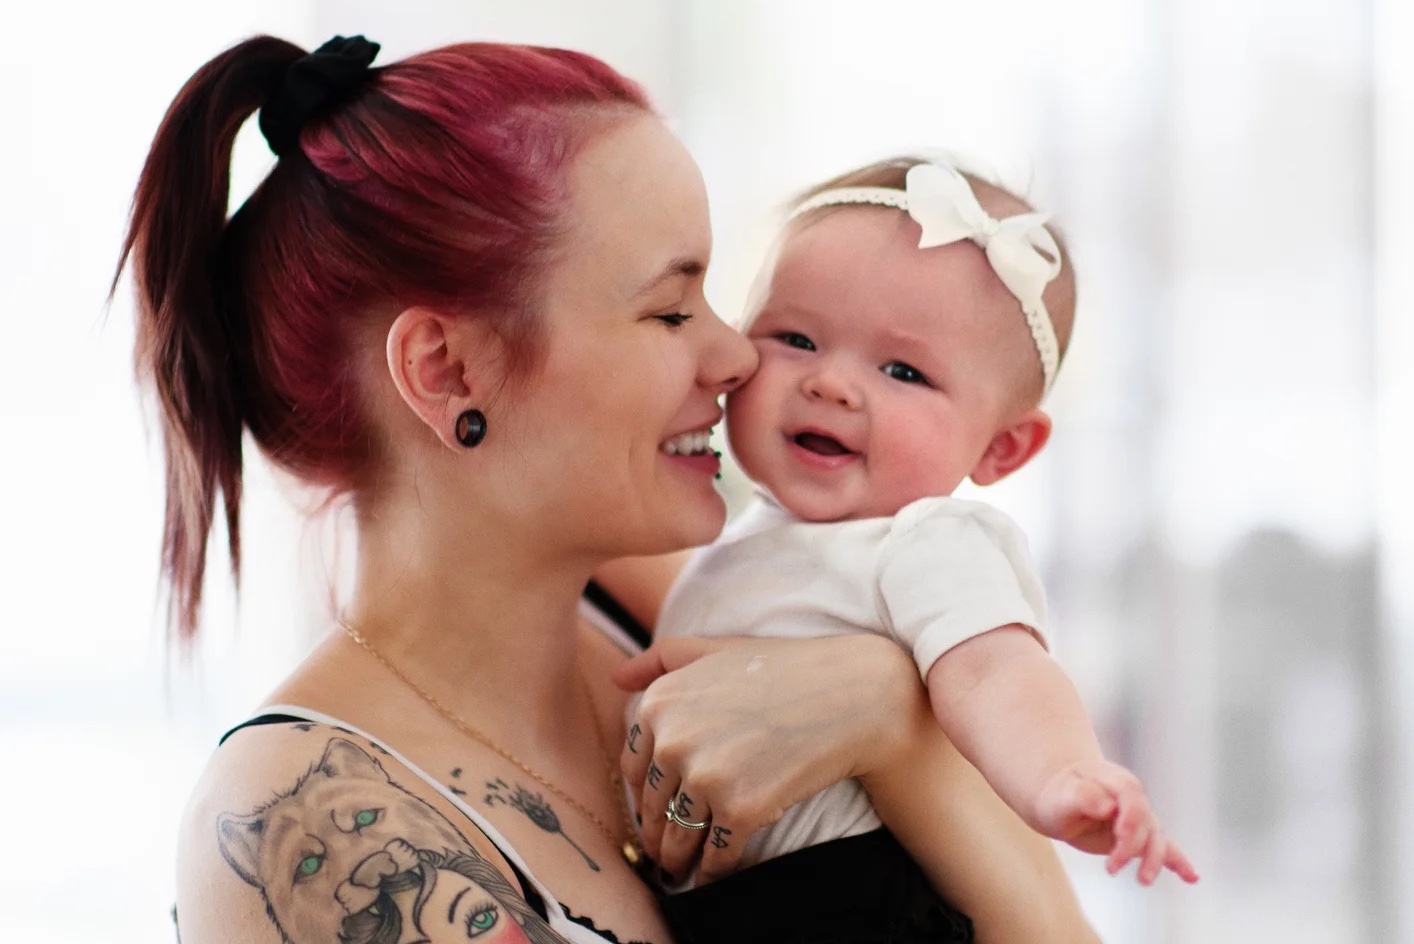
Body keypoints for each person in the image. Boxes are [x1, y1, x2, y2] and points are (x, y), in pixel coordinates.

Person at [116, 34, 1096, 944]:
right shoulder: (310, 818)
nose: (733, 354)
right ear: (447, 368)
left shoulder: (697, 604)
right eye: (670, 309)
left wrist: (894, 724)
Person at [613, 157, 1198, 913]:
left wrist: (1061, 776)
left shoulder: (931, 543)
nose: (830, 384)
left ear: (1001, 450)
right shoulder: (754, 535)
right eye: (794, 338)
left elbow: (997, 671)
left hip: (860, 898)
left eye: (902, 371)